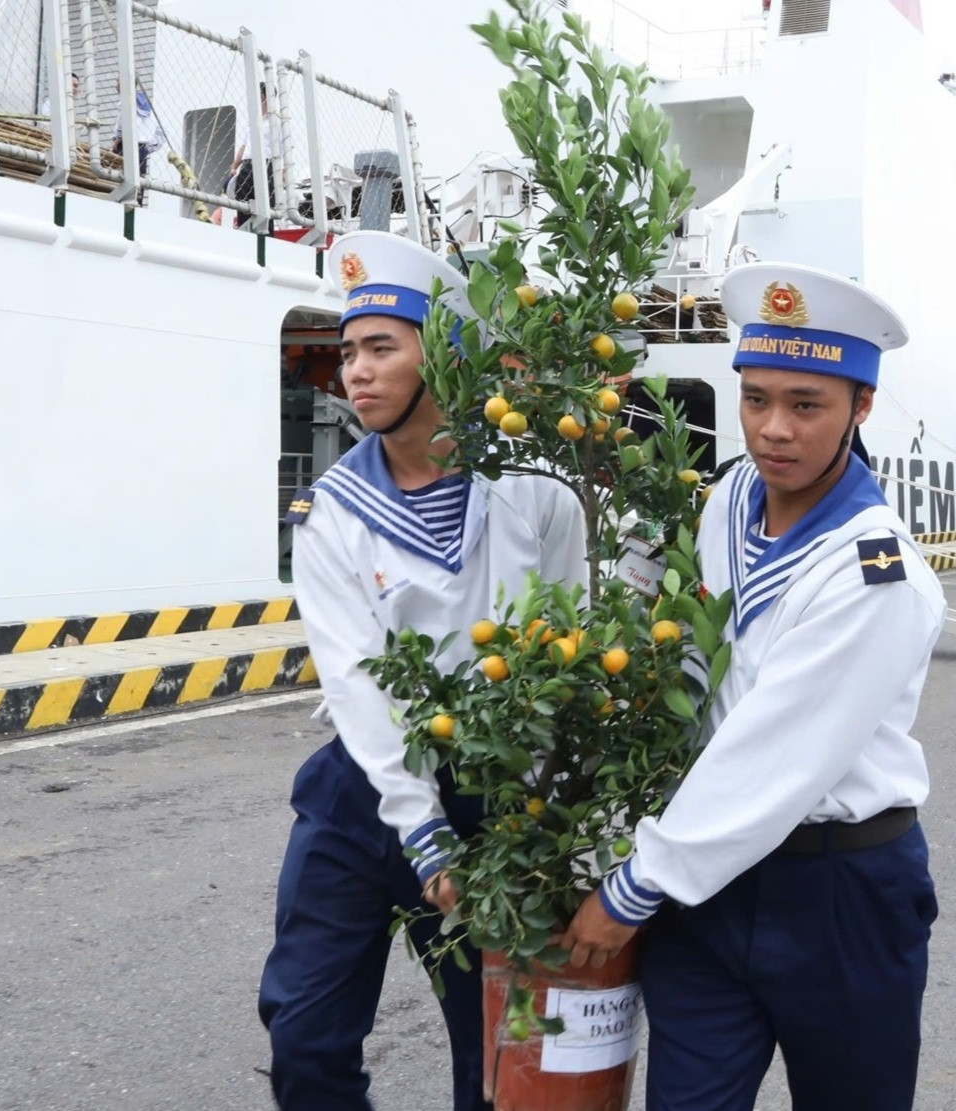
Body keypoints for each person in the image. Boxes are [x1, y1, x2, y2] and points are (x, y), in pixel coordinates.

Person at [561, 262, 946, 1111]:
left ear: (861, 407)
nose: (773, 430)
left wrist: (632, 886)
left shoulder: (876, 577)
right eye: (755, 398)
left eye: (806, 405)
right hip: (713, 884)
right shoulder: (732, 496)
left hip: (838, 895)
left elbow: (768, 756)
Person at [256, 230, 586, 1111]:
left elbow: (566, 654)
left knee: (496, 1056)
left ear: (440, 354)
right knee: (303, 1032)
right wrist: (422, 829)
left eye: (381, 348)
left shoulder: (535, 498)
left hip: (497, 792)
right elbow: (358, 686)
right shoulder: (333, 514)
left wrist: (540, 810)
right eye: (349, 350)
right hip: (368, 791)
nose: (355, 372)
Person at [231, 82, 280, 231]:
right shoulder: (253, 121)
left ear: (265, 98)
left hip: (266, 165)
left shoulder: (277, 122)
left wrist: (281, 175)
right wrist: (234, 167)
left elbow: (282, 152)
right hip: (247, 165)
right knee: (243, 204)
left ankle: (265, 239)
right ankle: (244, 234)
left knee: (265, 208)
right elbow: (244, 146)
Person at [112, 84, 164, 195]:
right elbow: (160, 131)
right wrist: (149, 147)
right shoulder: (146, 105)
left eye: (118, 80)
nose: (116, 84)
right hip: (141, 147)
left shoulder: (129, 100)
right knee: (139, 178)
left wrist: (118, 138)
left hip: (127, 145)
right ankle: (136, 201)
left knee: (119, 177)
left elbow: (123, 120)